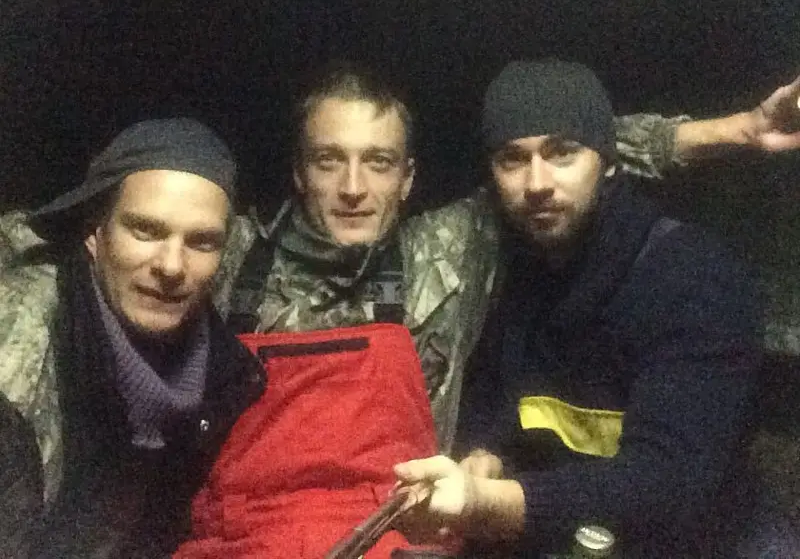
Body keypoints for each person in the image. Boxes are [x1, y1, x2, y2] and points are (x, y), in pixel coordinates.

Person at [176, 66, 800, 559]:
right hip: (241, 538)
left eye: (379, 162)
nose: (354, 187)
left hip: (398, 530)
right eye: (329, 160)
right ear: (299, 172)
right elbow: (149, 230)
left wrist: (739, 129)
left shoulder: (449, 249)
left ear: (408, 178)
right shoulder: (222, 254)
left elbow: (571, 149)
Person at [394, 60, 767, 557]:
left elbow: (669, 485)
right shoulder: (504, 268)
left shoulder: (697, 280)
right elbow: (492, 396)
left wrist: (486, 502)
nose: (537, 182)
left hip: (697, 539)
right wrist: (484, 452)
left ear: (609, 162)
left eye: (562, 153)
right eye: (512, 159)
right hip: (561, 532)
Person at [0, 119, 265, 559]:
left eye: (201, 242)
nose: (172, 266)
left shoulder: (215, 349)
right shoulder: (18, 347)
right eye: (145, 230)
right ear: (94, 233)